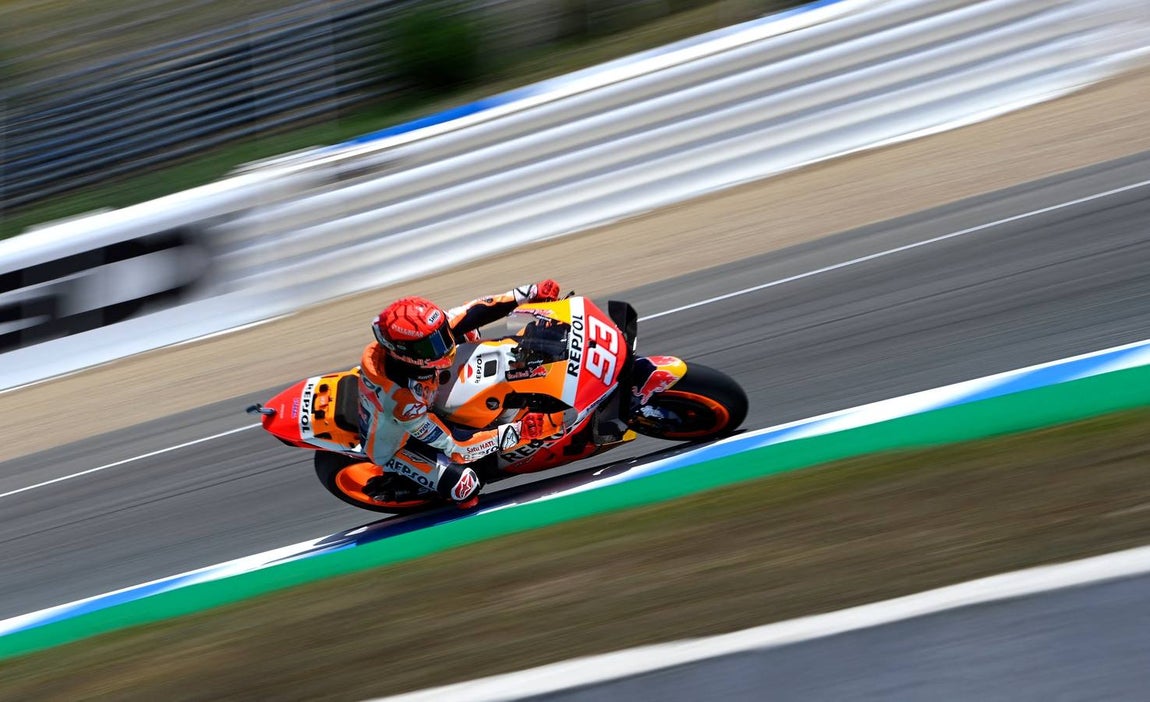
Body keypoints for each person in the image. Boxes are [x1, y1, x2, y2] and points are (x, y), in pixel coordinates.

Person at [358, 280, 564, 509]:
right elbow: (457, 446)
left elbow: (474, 310)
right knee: (465, 485)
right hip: (402, 444)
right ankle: (411, 486)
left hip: (430, 394)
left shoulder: (422, 341)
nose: (443, 345)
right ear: (403, 354)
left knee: (466, 330)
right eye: (431, 346)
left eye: (441, 335)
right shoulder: (402, 400)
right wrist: (521, 431)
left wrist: (529, 293)